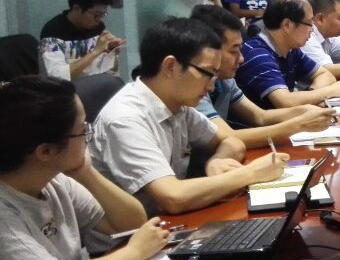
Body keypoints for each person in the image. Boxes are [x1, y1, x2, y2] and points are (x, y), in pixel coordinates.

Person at [0, 76, 168, 260]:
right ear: (45, 151)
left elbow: (131, 222)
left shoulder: (52, 180)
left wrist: (86, 172)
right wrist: (136, 251)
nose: (88, 136)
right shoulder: (5, 209)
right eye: (82, 130)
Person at [91, 18, 288, 216]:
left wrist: (217, 161)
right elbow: (172, 197)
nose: (211, 86)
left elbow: (232, 141)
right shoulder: (125, 119)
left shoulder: (177, 105)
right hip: (135, 233)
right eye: (207, 73)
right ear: (170, 67)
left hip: (170, 222)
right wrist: (250, 173)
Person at [190, 5, 340, 148]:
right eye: (233, 51)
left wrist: (306, 111)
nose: (241, 58)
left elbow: (260, 116)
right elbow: (227, 137)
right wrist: (300, 124)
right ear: (209, 50)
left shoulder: (225, 80)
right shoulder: (193, 87)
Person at [235, 0, 340, 110]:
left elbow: (325, 74)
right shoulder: (258, 55)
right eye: (309, 23)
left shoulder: (291, 49)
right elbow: (285, 101)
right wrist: (331, 91)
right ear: (287, 25)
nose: (312, 30)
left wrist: (310, 95)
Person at [39, 0, 125, 81]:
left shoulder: (97, 27)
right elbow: (57, 77)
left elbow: (108, 71)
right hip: (65, 88)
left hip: (94, 83)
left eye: (103, 15)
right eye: (96, 15)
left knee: (117, 83)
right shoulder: (53, 32)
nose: (100, 20)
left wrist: (109, 51)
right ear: (77, 9)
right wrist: (96, 52)